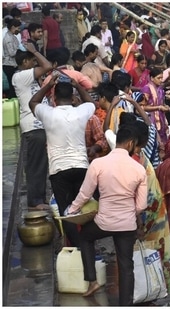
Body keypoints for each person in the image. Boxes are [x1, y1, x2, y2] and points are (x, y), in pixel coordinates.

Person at [65, 125, 147, 305]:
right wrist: (127, 213)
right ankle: (126, 304)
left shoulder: (98, 164)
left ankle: (92, 280)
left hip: (104, 222)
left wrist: (71, 211)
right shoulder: (139, 169)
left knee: (85, 237)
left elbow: (85, 194)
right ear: (131, 144)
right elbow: (141, 205)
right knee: (126, 266)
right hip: (127, 225)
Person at [29, 75, 95, 247]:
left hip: (59, 171)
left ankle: (77, 246)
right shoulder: (81, 111)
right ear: (72, 98)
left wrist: (47, 86)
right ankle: (86, 245)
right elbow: (91, 103)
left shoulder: (48, 113)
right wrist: (79, 87)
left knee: (66, 211)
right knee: (83, 209)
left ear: (54, 99)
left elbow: (33, 102)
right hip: (81, 167)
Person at [132, 119, 170, 295]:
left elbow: (135, 195)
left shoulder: (136, 159)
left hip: (148, 213)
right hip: (155, 209)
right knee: (157, 250)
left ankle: (151, 289)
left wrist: (138, 224)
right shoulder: (140, 155)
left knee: (148, 252)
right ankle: (157, 287)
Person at [12, 44, 53, 211]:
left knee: (41, 164)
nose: (36, 64)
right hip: (32, 127)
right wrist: (36, 51)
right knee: (36, 165)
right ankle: (35, 201)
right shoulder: (21, 76)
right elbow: (48, 66)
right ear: (25, 62)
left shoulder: (29, 78)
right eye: (33, 61)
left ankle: (39, 199)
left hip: (39, 125)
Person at [141, 67, 170, 144]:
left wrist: (166, 106)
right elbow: (142, 107)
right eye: (158, 78)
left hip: (161, 118)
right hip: (150, 118)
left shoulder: (160, 89)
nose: (161, 80)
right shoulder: (146, 89)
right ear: (152, 78)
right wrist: (159, 107)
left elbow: (162, 103)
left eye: (162, 78)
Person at [3, 18, 21, 98]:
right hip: (9, 65)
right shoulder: (8, 38)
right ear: (13, 27)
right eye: (18, 28)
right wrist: (20, 50)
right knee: (12, 86)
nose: (19, 30)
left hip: (13, 64)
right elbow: (11, 53)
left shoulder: (13, 36)